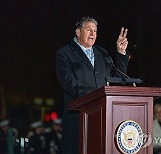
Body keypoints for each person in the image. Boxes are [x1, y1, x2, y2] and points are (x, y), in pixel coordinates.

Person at [56, 16, 129, 154]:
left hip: (102, 116)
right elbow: (69, 83)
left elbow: (118, 78)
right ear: (78, 32)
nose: (92, 33)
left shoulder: (102, 53)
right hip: (78, 117)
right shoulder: (64, 53)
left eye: (95, 31)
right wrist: (96, 98)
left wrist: (120, 53)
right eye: (88, 29)